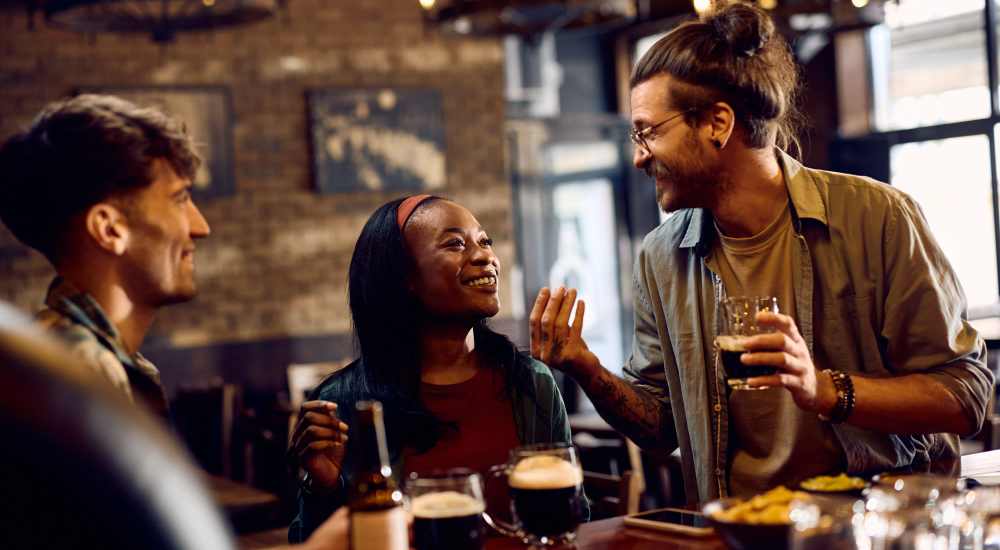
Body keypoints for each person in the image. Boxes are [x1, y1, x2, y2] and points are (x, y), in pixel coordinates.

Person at [529, 1, 993, 503]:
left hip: (874, 525)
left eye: (647, 132)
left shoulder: (877, 216)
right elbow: (662, 427)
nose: (639, 155)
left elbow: (965, 396)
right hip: (736, 530)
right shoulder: (661, 256)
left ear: (717, 123)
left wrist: (824, 390)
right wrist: (586, 368)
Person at [0, 95, 351, 550]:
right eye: (180, 199)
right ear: (109, 229)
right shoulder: (79, 374)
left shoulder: (88, 357)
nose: (200, 226)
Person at [288, 195, 580, 542]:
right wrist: (322, 486)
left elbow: (571, 521)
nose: (485, 256)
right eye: (455, 243)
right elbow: (313, 544)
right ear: (403, 277)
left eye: (485, 241)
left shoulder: (531, 384)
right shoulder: (343, 403)